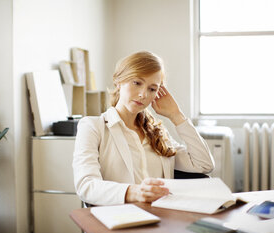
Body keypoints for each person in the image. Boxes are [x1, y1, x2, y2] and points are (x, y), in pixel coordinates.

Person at [72, 51, 214, 206]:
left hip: (161, 219)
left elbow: (204, 164)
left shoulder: (158, 133)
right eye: (137, 83)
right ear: (118, 81)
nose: (143, 94)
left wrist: (176, 115)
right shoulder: (93, 127)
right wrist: (134, 192)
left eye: (152, 89)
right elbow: (86, 186)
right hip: (118, 221)